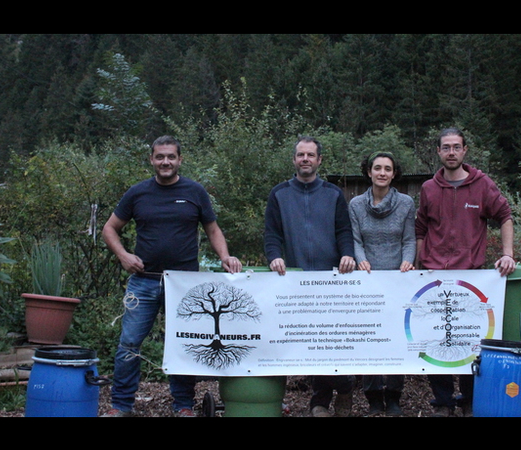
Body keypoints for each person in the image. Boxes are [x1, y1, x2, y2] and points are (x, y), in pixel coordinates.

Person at [101, 135, 242, 417]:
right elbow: (109, 228)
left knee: (183, 343)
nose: (165, 162)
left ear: (180, 160)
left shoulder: (195, 191)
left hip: (184, 283)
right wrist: (123, 255)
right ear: (152, 159)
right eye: (160, 157)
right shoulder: (137, 193)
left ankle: (183, 405)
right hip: (144, 281)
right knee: (129, 343)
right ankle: (121, 406)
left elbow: (212, 229)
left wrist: (225, 256)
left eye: (171, 157)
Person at [415, 127, 516, 417]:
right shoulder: (428, 188)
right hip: (434, 278)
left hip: (471, 278)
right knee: (437, 340)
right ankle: (443, 402)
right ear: (438, 151)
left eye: (456, 147)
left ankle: (470, 401)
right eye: (446, 147)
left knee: (470, 342)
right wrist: (419, 266)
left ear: (464, 150)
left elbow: (505, 216)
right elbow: (421, 228)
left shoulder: (482, 185)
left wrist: (507, 254)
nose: (451, 152)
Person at [264, 135, 356, 417]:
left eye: (310, 155)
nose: (305, 159)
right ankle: (319, 402)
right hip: (296, 280)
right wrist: (274, 256)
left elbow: (344, 230)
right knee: (311, 343)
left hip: (332, 279)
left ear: (319, 160)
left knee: (334, 340)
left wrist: (348, 254)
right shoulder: (279, 194)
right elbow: (272, 233)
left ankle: (345, 391)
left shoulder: (333, 194)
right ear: (294, 159)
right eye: (301, 155)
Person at [348, 151, 415, 416]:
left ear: (394, 173)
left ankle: (394, 396)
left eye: (388, 169)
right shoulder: (355, 204)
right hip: (367, 280)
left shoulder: (406, 203)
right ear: (369, 172)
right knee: (370, 338)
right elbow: (355, 240)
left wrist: (408, 261)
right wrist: (361, 260)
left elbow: (409, 239)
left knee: (397, 338)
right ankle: (373, 398)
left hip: (398, 279)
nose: (382, 173)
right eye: (377, 168)